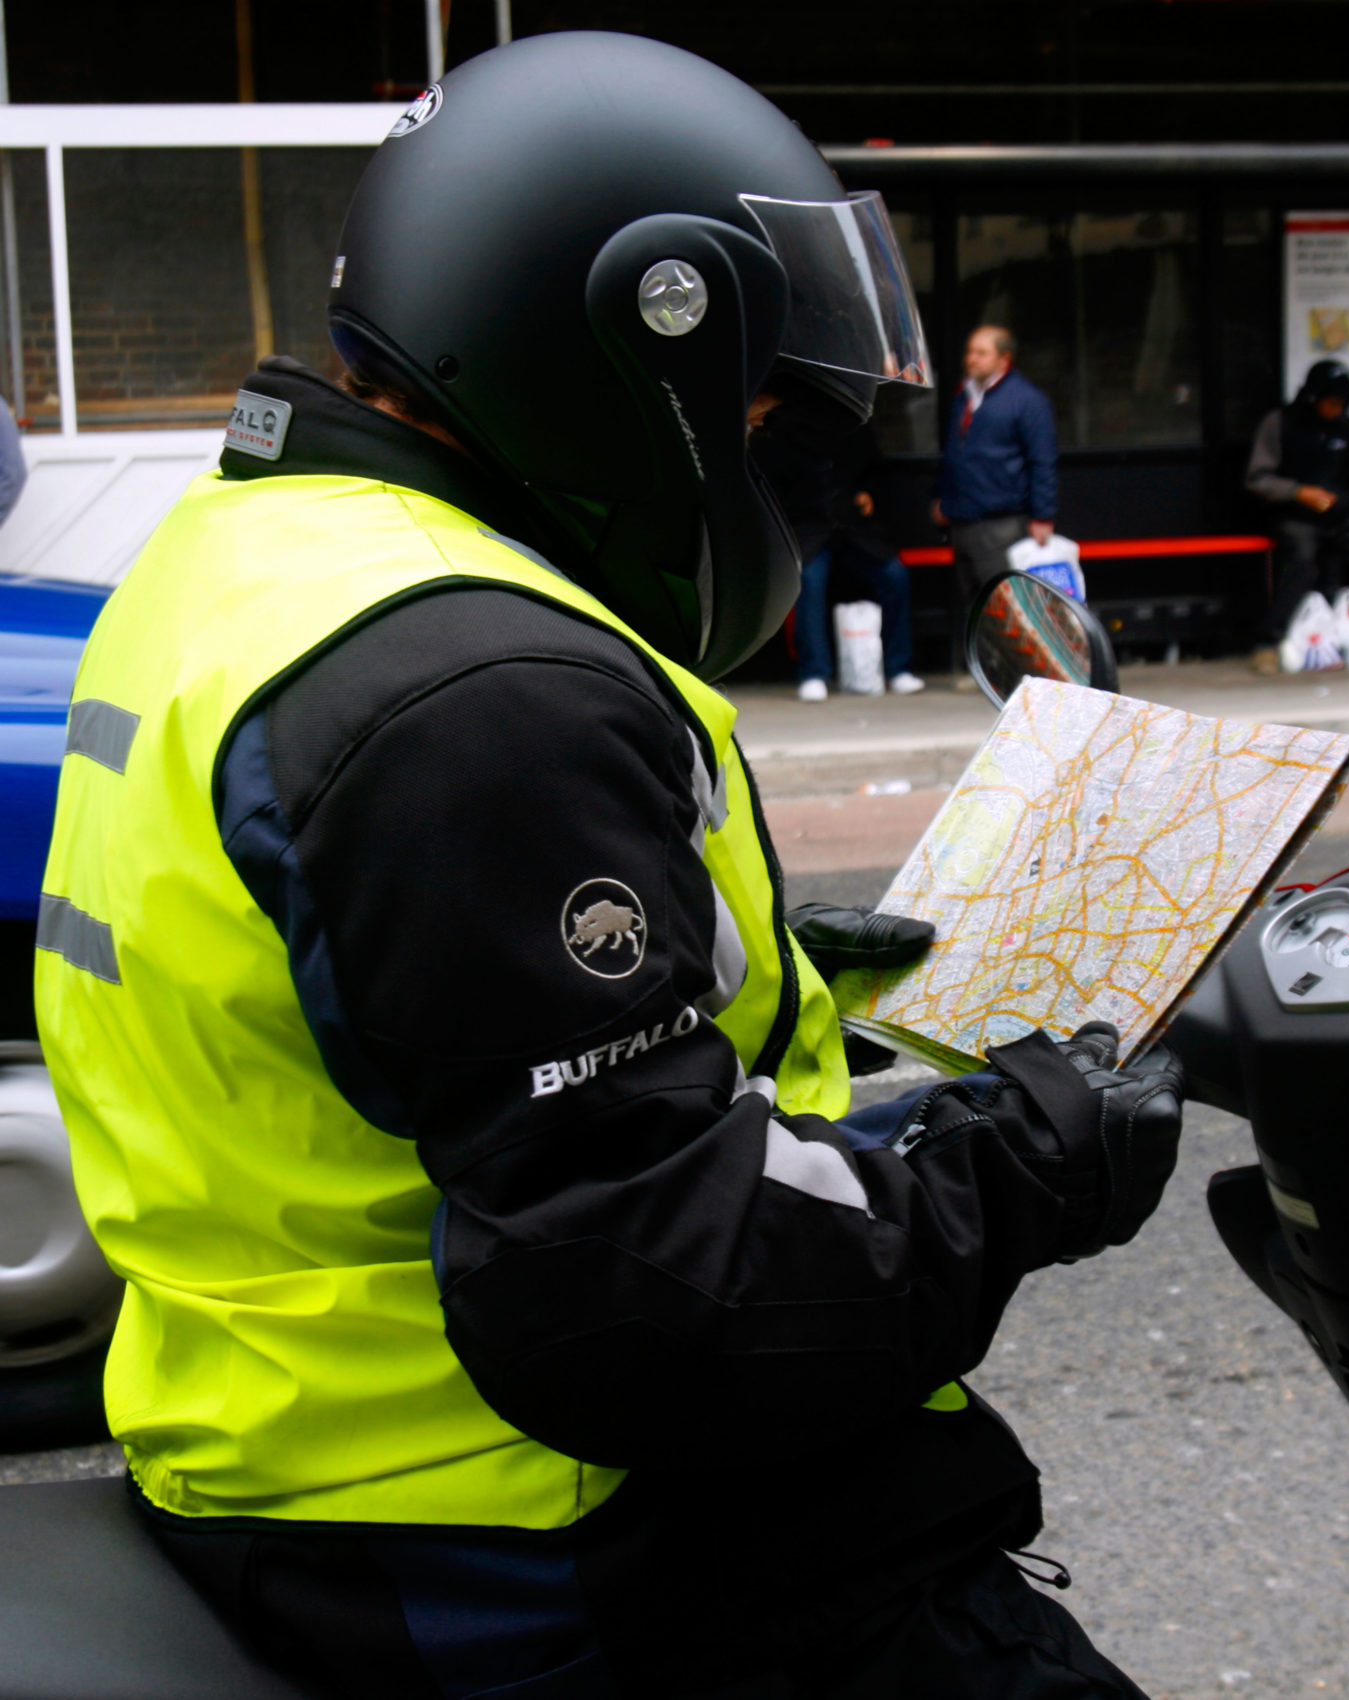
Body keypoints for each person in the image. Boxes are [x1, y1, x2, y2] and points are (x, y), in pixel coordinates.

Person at [35, 33, 1185, 1699]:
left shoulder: (247, 557)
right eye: (770, 408)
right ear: (625, 353)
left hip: (306, 1444)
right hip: (529, 1527)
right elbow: (656, 1299)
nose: (795, 459)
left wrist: (749, 965)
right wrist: (1022, 1170)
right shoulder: (480, 687)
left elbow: (372, 999)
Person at [1245, 358, 1349, 671]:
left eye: (1342, 404)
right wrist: (1298, 492)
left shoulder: (1346, 427)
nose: (1337, 409)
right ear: (1314, 398)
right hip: (1294, 514)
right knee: (1302, 560)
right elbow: (1258, 478)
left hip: (1340, 515)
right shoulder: (1280, 423)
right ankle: (1267, 643)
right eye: (1332, 402)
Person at [755, 416, 925, 700]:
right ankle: (813, 672)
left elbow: (875, 471)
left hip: (854, 527)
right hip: (811, 528)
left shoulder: (854, 422)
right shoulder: (786, 428)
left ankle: (898, 669)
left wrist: (867, 493)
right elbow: (777, 483)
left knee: (895, 575)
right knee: (808, 581)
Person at [933, 325, 1059, 605]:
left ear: (1004, 359)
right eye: (969, 352)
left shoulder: (1027, 401)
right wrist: (942, 498)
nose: (971, 359)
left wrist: (1042, 516)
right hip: (963, 521)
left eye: (981, 353)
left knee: (1007, 608)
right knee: (974, 610)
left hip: (1001, 525)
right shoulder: (965, 395)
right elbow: (954, 453)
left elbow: (1042, 461)